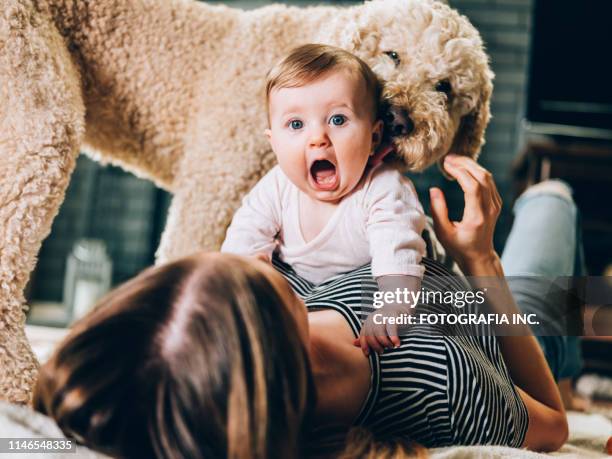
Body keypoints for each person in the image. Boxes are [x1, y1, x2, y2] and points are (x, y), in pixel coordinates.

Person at [34, 154, 578, 457]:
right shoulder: (441, 386)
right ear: (271, 329)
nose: (245, 255)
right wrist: (483, 262)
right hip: (510, 334)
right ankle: (569, 355)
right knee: (553, 203)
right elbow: (553, 427)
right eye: (242, 272)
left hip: (450, 289)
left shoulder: (292, 300)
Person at [221, 44, 427, 354]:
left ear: (373, 137)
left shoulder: (383, 189)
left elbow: (397, 252)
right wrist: (244, 289)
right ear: (274, 143)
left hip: (361, 299)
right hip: (300, 294)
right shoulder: (276, 187)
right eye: (296, 124)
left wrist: (391, 309)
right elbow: (243, 243)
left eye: (338, 120)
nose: (317, 137)